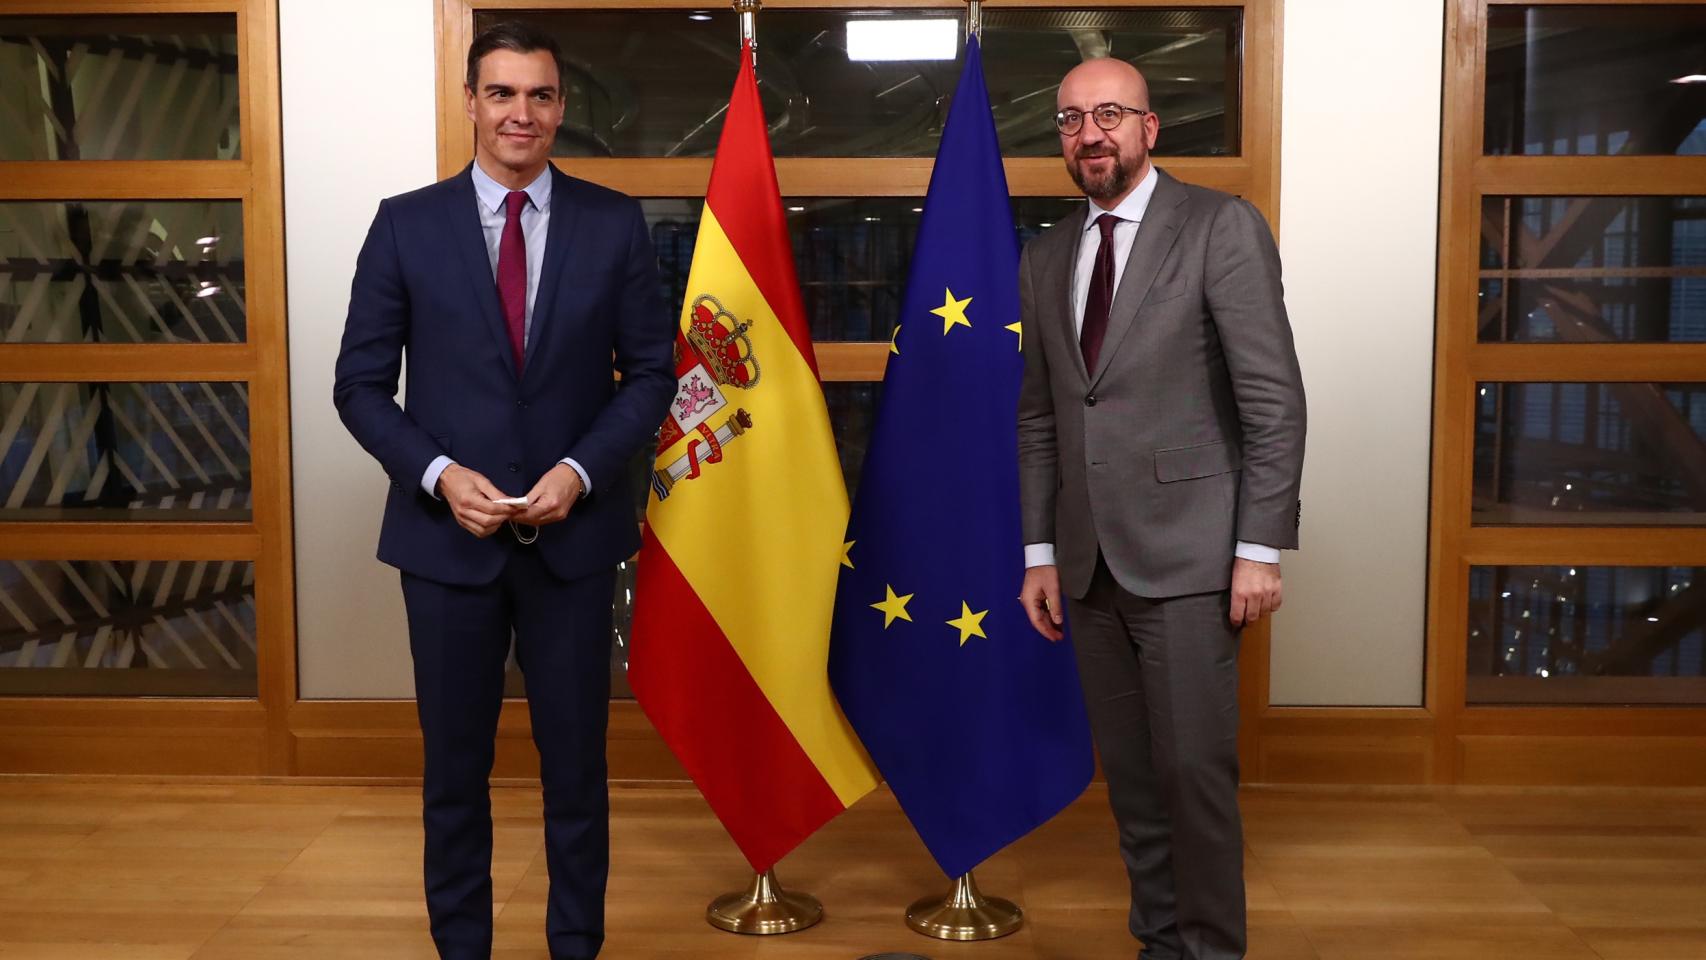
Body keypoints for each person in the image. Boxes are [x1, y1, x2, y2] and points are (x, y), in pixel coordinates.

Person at [332, 21, 674, 960]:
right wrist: (439, 476)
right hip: (447, 549)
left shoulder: (613, 223)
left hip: (573, 545)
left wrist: (580, 471)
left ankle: (576, 946)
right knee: (453, 777)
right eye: (503, 93)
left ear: (560, 109)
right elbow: (359, 386)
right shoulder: (405, 224)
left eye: (541, 95)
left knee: (578, 774)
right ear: (471, 103)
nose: (522, 113)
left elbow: (651, 373)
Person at [1015, 57, 1306, 960]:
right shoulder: (1047, 254)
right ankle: (1160, 945)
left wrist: (1259, 548)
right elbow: (1042, 416)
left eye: (1109, 114)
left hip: (1192, 558)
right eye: (1071, 119)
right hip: (1087, 564)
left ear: (1149, 128)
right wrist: (1039, 554)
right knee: (1136, 786)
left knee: (1192, 779)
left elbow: (1274, 401)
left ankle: (1212, 950)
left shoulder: (1219, 226)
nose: (1090, 134)